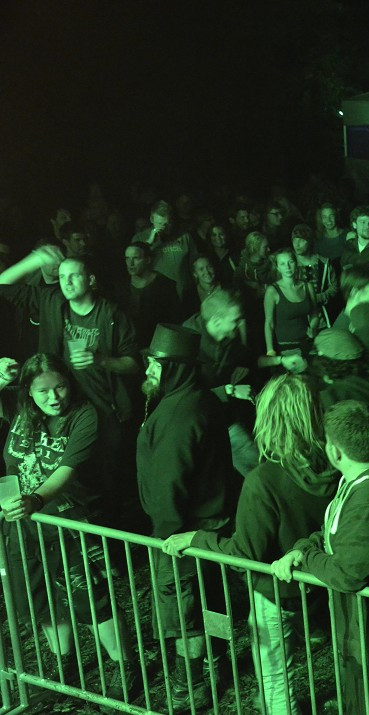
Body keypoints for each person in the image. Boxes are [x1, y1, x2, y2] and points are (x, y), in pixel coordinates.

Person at [162, 374, 337, 715]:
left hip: (276, 591)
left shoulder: (264, 480)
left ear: (267, 417)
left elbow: (246, 553)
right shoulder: (336, 462)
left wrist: (197, 539)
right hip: (322, 583)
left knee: (275, 679)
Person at [270, 400, 369, 714]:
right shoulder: (358, 484)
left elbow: (348, 573)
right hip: (368, 640)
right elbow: (334, 532)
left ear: (335, 452)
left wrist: (309, 556)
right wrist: (302, 548)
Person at [0, 354, 133, 697]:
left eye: (60, 386)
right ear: (28, 391)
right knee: (41, 601)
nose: (54, 397)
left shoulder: (84, 415)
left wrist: (36, 500)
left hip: (70, 522)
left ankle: (125, 666)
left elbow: (67, 470)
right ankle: (65, 666)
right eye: (43, 390)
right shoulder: (20, 412)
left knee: (91, 600)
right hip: (24, 527)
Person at [137, 324, 238, 709]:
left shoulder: (179, 415)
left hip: (182, 535)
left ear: (175, 368)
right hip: (209, 527)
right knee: (210, 603)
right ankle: (216, 667)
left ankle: (190, 686)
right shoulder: (198, 399)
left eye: (155, 363)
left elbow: (169, 486)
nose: (147, 367)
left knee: (185, 614)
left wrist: (167, 536)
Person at [0, 247, 141, 496]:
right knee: (67, 476)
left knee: (106, 478)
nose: (66, 282)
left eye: (74, 276)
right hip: (62, 406)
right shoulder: (52, 301)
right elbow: (3, 283)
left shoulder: (111, 314)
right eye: (62, 276)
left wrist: (102, 360)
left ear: (91, 280)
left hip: (105, 409)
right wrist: (34, 259)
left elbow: (134, 364)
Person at [117, 241, 181, 346]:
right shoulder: (121, 286)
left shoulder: (165, 286)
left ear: (147, 260)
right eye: (127, 258)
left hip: (157, 344)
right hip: (129, 345)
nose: (130, 263)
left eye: (136, 258)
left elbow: (174, 321)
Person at [131, 200, 195, 301]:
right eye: (160, 223)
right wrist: (149, 243)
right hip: (154, 298)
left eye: (167, 224)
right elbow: (135, 268)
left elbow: (194, 265)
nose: (164, 228)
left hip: (184, 296)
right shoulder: (139, 238)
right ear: (151, 219)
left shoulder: (184, 237)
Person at [264, 249, 318, 356]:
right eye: (282, 264)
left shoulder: (307, 286)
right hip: (286, 346)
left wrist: (312, 328)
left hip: (308, 342)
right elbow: (269, 323)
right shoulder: (272, 291)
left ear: (296, 263)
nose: (287, 267)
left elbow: (315, 313)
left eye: (290, 262)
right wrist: (270, 350)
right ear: (278, 267)